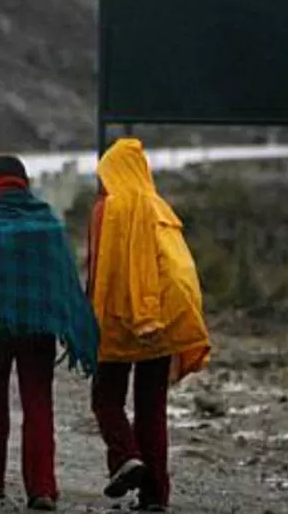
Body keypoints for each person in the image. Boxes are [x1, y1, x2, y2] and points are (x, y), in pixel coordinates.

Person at [0, 155, 99, 512]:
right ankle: (42, 488)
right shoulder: (47, 222)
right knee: (38, 403)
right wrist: (64, 318)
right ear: (24, 182)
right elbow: (63, 274)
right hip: (38, 326)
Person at [87, 139, 211, 512]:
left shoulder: (106, 210)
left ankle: (126, 457)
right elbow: (179, 268)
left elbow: (98, 271)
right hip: (164, 321)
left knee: (106, 397)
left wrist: (89, 318)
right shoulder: (161, 208)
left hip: (119, 320)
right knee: (151, 406)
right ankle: (156, 495)